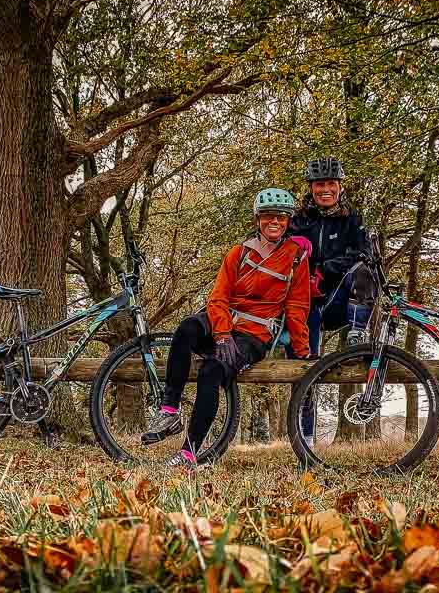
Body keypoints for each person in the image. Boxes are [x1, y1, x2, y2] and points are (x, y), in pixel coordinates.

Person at [140, 187, 311, 467]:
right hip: (224, 322)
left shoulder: (296, 257)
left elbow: (297, 307)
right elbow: (218, 296)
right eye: (268, 216)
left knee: (213, 370)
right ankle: (169, 410)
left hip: (254, 334)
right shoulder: (239, 252)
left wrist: (302, 351)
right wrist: (221, 334)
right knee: (185, 330)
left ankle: (188, 452)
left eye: (281, 217)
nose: (274, 222)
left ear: (288, 221)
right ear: (258, 219)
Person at [286, 156, 378, 445]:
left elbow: (363, 253)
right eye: (319, 184)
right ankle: (306, 438)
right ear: (311, 188)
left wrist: (325, 268)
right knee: (305, 369)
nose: (325, 189)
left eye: (330, 184)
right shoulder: (298, 220)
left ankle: (357, 333)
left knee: (365, 270)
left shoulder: (353, 219)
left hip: (340, 298)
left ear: (340, 186)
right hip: (305, 302)